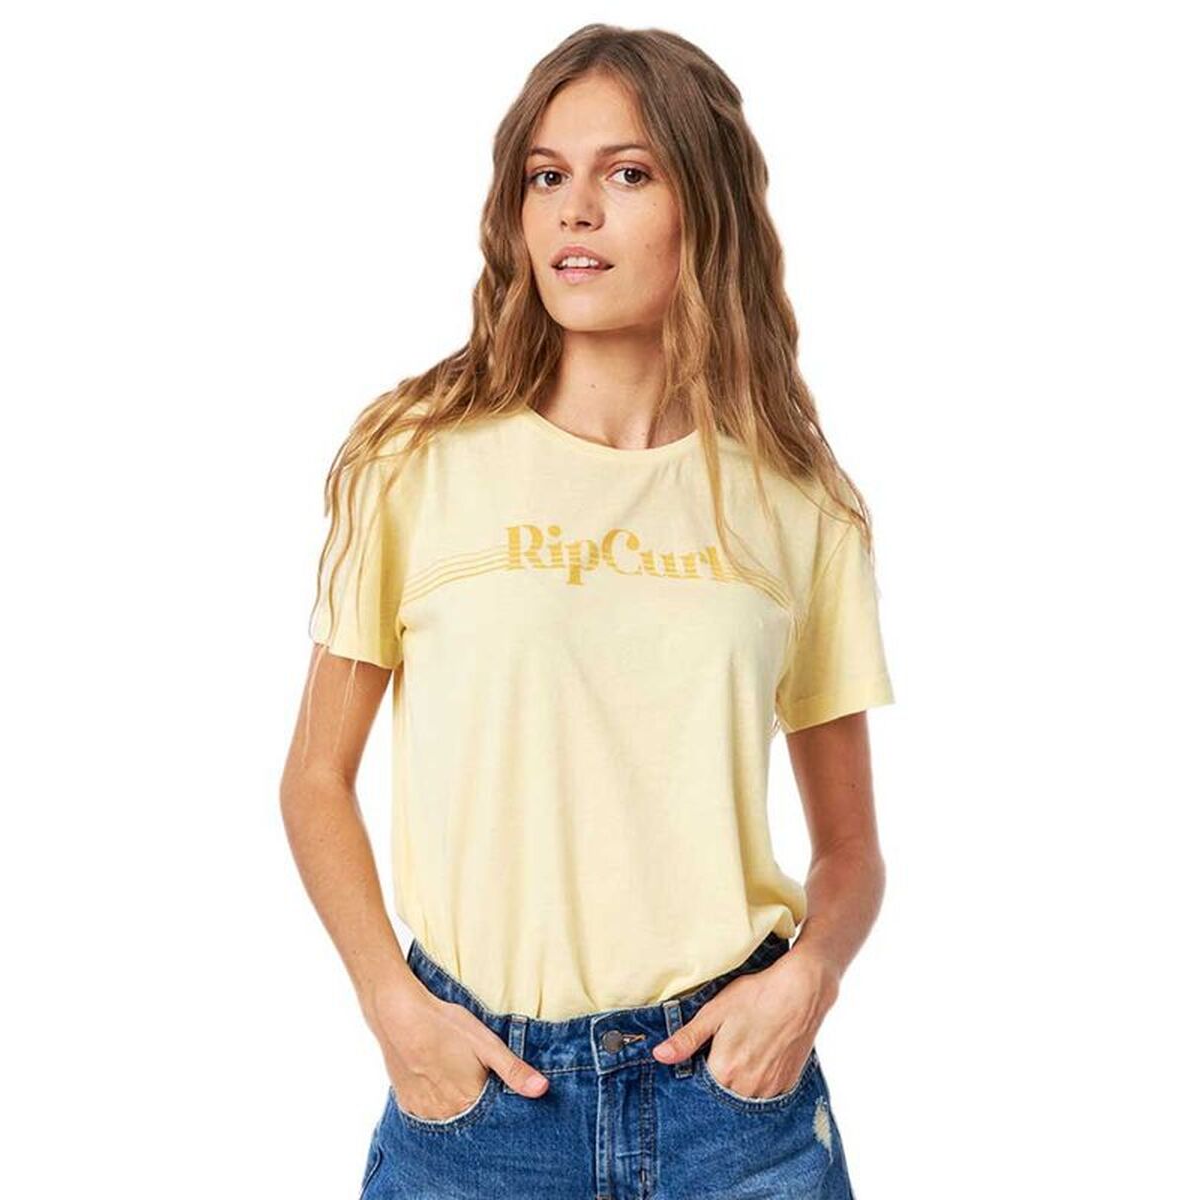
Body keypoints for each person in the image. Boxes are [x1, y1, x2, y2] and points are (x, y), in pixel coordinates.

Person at [280, 23, 894, 1200]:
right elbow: (315, 778)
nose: (576, 210)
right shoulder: (413, 461)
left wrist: (809, 978)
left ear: (703, 206)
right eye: (546, 176)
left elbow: (851, 847)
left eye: (628, 173)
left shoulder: (799, 502)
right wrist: (392, 1007)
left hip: (732, 1110)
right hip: (479, 1102)